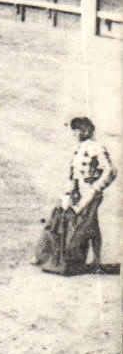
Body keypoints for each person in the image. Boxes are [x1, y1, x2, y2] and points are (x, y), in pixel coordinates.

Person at [64, 116, 117, 271]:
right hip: (80, 192)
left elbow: (111, 170)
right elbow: (73, 173)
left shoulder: (96, 147)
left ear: (85, 131)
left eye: (76, 130)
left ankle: (96, 261)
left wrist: (96, 188)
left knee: (90, 224)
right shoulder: (80, 148)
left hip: (90, 192)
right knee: (89, 224)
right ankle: (93, 261)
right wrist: (70, 191)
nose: (74, 133)